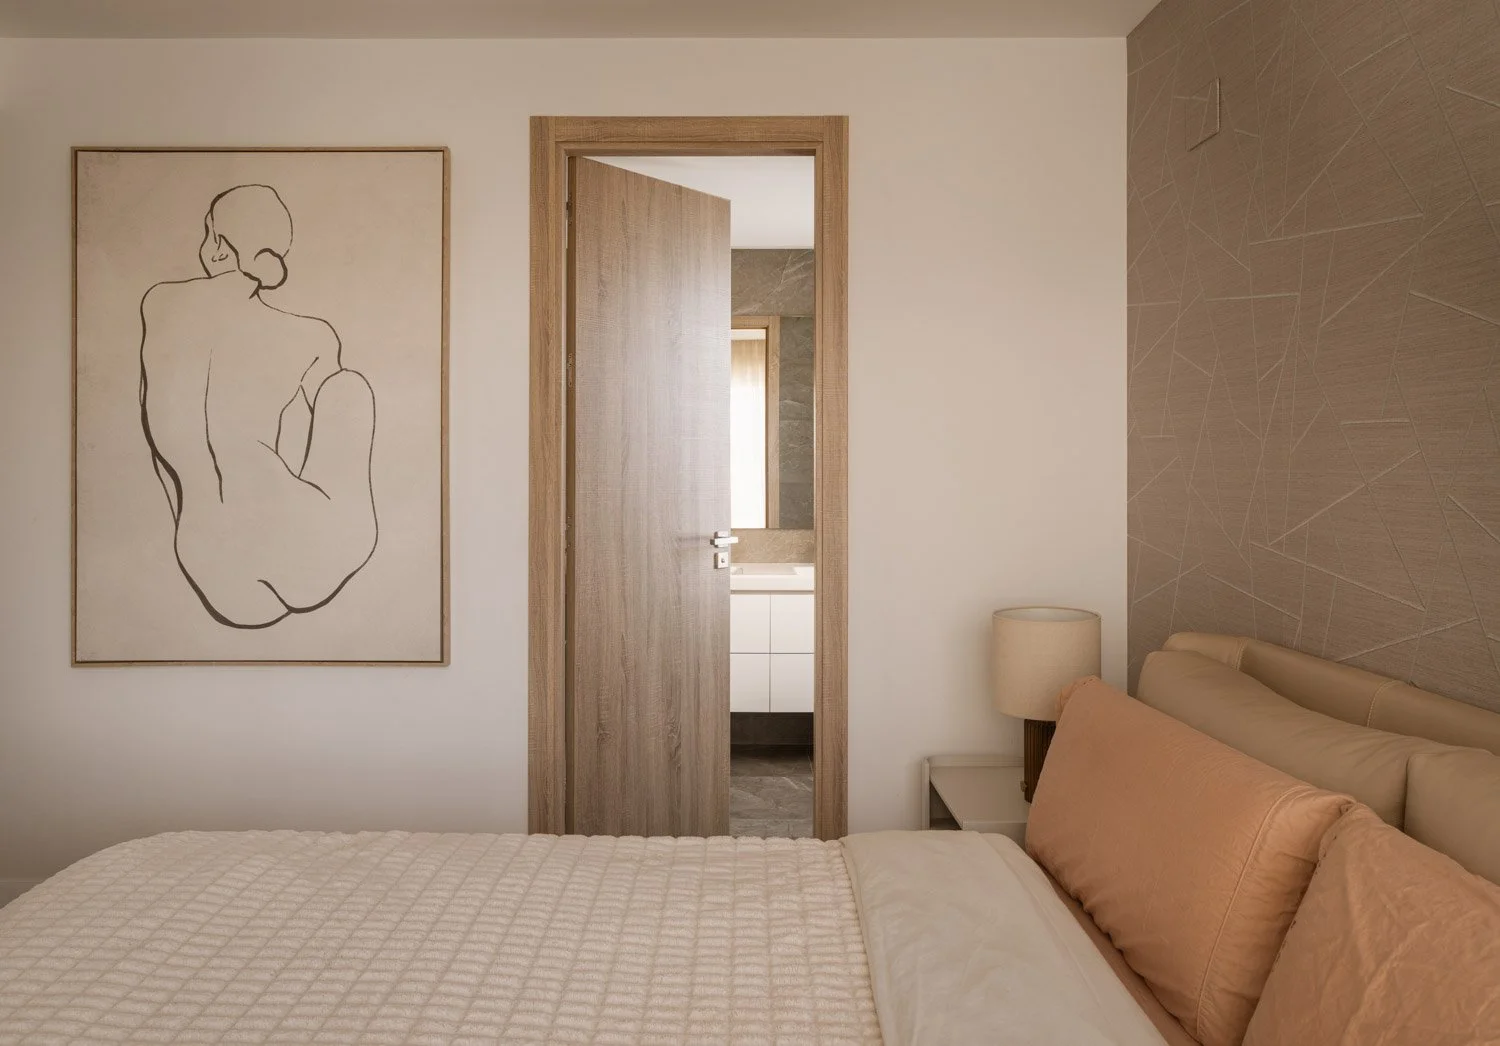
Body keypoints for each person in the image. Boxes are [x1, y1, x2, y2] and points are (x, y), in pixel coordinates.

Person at [139, 184, 377, 628]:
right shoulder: (311, 336)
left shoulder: (158, 306)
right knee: (350, 388)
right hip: (308, 549)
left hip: (208, 562)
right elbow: (324, 420)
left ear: (216, 246)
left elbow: (162, 460)